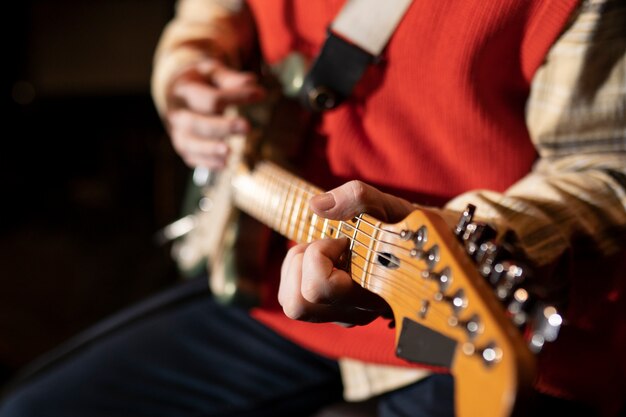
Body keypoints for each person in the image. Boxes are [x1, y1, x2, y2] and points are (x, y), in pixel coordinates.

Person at [1, 0, 625, 416]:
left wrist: (481, 235)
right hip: (274, 283)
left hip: (464, 324)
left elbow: (606, 168)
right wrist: (186, 69)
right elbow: (212, 11)